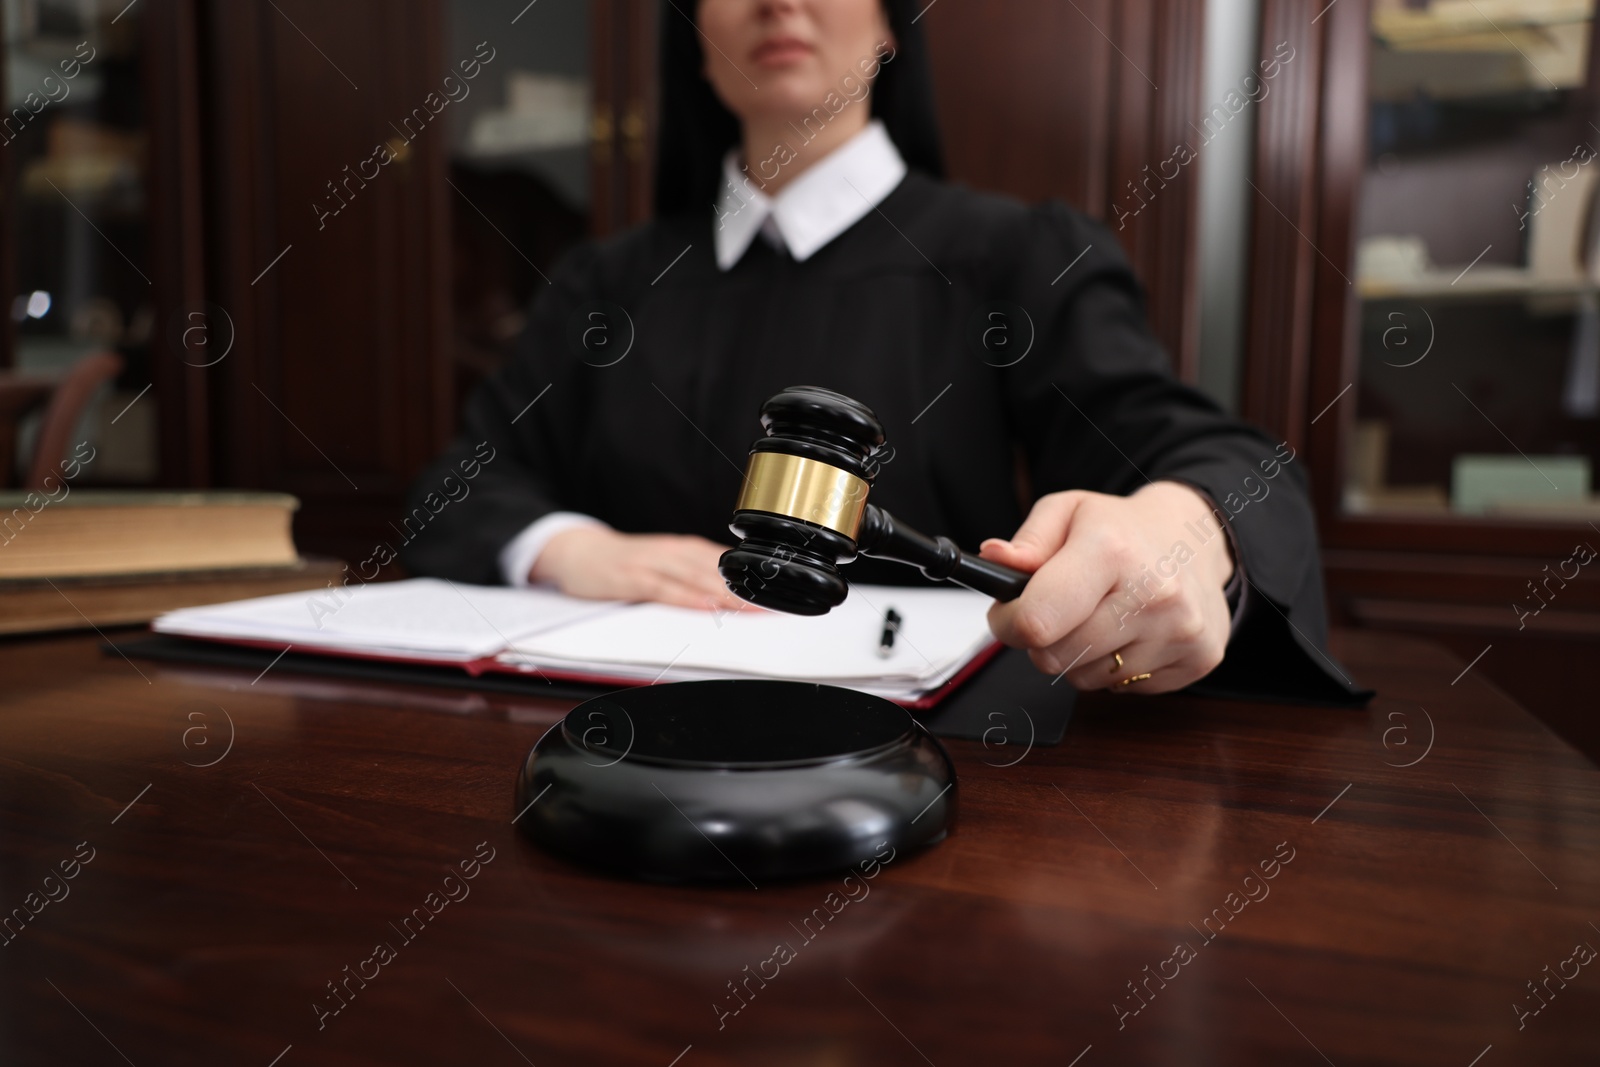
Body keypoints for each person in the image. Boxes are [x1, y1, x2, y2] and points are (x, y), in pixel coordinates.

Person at [404, 0, 1366, 704]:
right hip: (606, 739)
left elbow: (1222, 464)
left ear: (892, 26)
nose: (777, 1)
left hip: (936, 771)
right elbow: (461, 483)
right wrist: (568, 548)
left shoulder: (1016, 257)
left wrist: (1188, 532)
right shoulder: (603, 286)